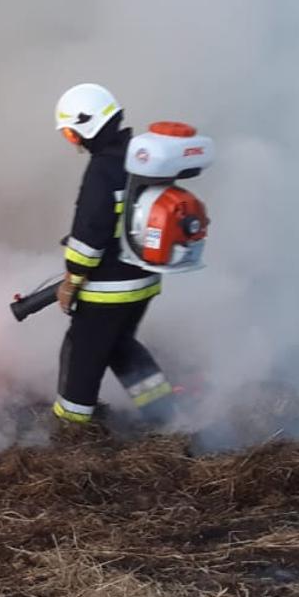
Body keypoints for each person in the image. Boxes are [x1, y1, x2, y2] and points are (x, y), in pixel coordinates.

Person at [49, 83, 179, 428]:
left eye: (70, 133)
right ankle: (163, 414)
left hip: (109, 288)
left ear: (84, 127)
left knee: (82, 355)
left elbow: (90, 234)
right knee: (120, 345)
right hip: (145, 280)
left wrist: (72, 279)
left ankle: (71, 430)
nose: (72, 142)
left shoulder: (102, 170)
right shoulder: (141, 157)